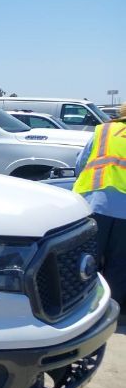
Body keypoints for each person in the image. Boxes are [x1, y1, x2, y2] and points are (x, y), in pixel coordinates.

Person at [73, 103, 126, 315]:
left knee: (86, 260)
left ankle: (81, 309)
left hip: (95, 203)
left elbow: (81, 164)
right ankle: (111, 310)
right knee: (119, 263)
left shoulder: (104, 130)